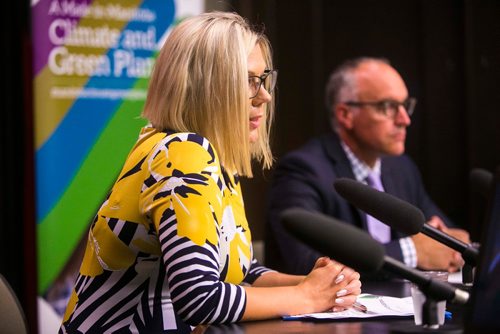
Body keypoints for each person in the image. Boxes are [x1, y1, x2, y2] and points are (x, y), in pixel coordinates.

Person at [60, 12, 361, 333]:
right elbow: (199, 297)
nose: (265, 96)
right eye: (249, 81)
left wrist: (319, 285)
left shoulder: (205, 155)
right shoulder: (182, 154)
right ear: (205, 86)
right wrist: (306, 296)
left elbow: (238, 269)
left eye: (264, 79)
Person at [266, 57, 470, 277]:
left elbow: (448, 238)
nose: (404, 119)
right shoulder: (304, 170)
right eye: (388, 107)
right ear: (346, 115)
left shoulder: (401, 168)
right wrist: (412, 252)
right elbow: (303, 263)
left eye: (405, 105)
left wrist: (452, 244)